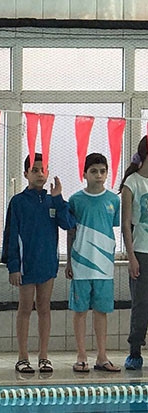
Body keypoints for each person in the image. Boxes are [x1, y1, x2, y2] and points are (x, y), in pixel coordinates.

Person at [2, 153, 75, 374]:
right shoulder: (18, 202)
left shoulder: (53, 200)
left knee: (44, 308)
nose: (40, 174)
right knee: (25, 308)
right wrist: (13, 266)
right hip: (26, 265)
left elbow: (68, 224)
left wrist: (59, 199)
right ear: (26, 173)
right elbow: (10, 235)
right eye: (34, 170)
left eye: (43, 170)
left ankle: (44, 356)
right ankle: (22, 357)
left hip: (47, 263)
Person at [65, 153, 121, 373]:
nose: (99, 175)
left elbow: (112, 227)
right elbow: (71, 232)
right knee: (80, 311)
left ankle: (102, 356)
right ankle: (81, 355)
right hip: (81, 263)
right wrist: (69, 261)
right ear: (84, 174)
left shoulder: (113, 200)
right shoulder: (75, 200)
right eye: (94, 171)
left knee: (101, 311)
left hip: (104, 266)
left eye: (103, 171)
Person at [120, 136, 148, 370]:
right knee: (141, 304)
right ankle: (135, 350)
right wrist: (131, 257)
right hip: (141, 252)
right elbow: (126, 224)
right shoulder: (133, 183)